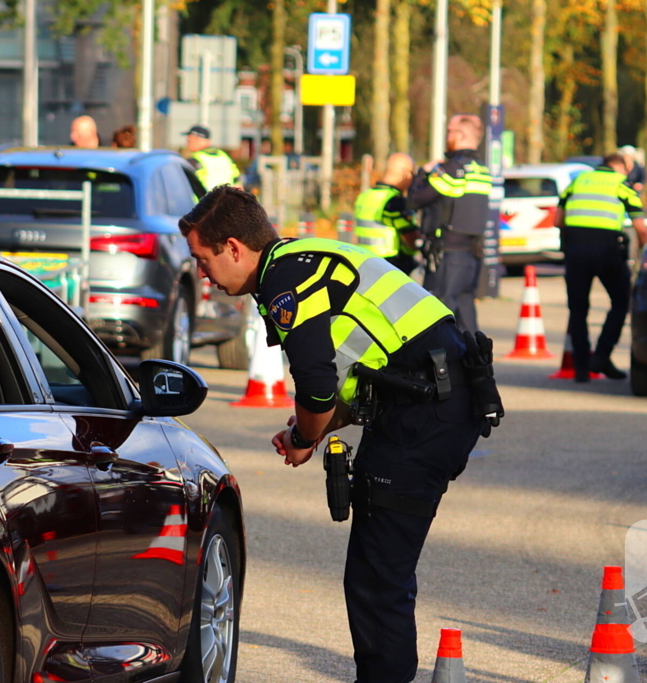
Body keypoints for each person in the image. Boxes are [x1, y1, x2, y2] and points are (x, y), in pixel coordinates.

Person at [179, 186, 502, 683]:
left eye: (203, 259)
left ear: (234, 248)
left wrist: (307, 436)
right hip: (426, 401)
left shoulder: (286, 278)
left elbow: (315, 384)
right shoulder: (298, 261)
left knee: (378, 577)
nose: (202, 274)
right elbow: (361, 376)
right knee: (378, 571)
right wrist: (313, 426)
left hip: (428, 413)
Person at [557, 152, 647, 382]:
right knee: (621, 301)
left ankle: (580, 368)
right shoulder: (622, 185)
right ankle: (601, 356)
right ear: (624, 167)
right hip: (607, 253)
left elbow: (557, 221)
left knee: (578, 310)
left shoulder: (577, 181)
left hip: (576, 253)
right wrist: (645, 255)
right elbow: (642, 230)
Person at [407, 114, 492, 332]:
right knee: (465, 312)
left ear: (461, 135)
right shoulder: (482, 168)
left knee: (439, 313)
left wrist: (421, 173)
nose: (447, 136)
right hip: (472, 253)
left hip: (447, 253)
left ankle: (444, 365)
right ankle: (476, 364)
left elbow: (416, 200)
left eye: (450, 131)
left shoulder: (453, 169)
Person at [353, 152, 421, 275]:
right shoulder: (395, 202)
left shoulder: (364, 196)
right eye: (412, 175)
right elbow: (412, 239)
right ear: (405, 173)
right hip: (390, 265)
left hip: (365, 262)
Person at [183, 124, 240, 191]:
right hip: (225, 200)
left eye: (189, 140)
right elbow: (237, 183)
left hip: (202, 200)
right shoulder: (224, 157)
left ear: (196, 139)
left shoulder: (195, 160)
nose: (187, 143)